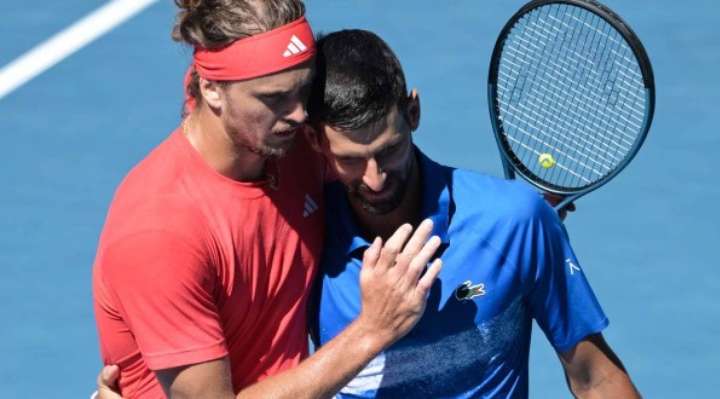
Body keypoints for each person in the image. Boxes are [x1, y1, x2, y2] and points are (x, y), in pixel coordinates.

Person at [91, 1, 442, 398]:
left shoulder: (289, 145)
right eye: (274, 98)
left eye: (302, 90)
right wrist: (373, 330)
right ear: (211, 91)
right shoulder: (161, 231)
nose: (297, 114)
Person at [301, 29, 642, 398]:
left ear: (412, 112)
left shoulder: (514, 223)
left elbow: (595, 379)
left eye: (389, 150)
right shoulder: (295, 236)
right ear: (313, 140)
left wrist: (526, 227)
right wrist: (373, 329)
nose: (376, 178)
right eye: (350, 160)